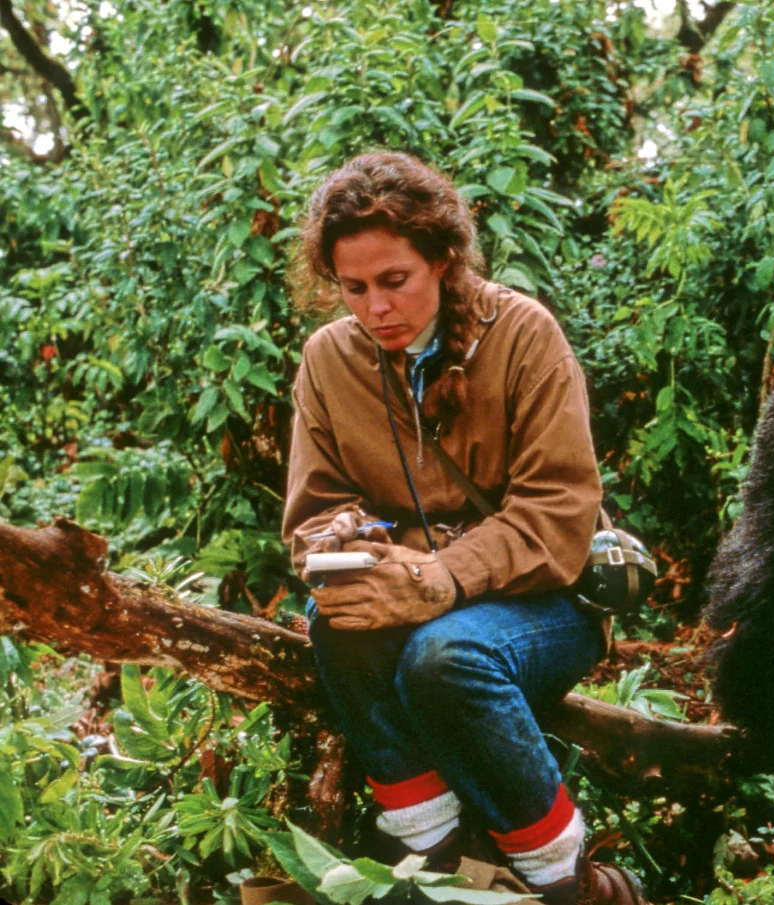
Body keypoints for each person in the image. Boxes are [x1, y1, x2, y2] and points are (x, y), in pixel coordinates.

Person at [282, 151, 645, 905]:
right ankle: (444, 859)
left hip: (545, 599)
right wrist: (343, 545)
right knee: (337, 620)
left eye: (395, 281)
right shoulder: (328, 360)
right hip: (408, 588)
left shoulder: (521, 335)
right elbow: (314, 507)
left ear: (444, 261)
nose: (376, 307)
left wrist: (434, 577)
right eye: (353, 288)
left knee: (442, 658)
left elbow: (558, 509)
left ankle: (567, 882)